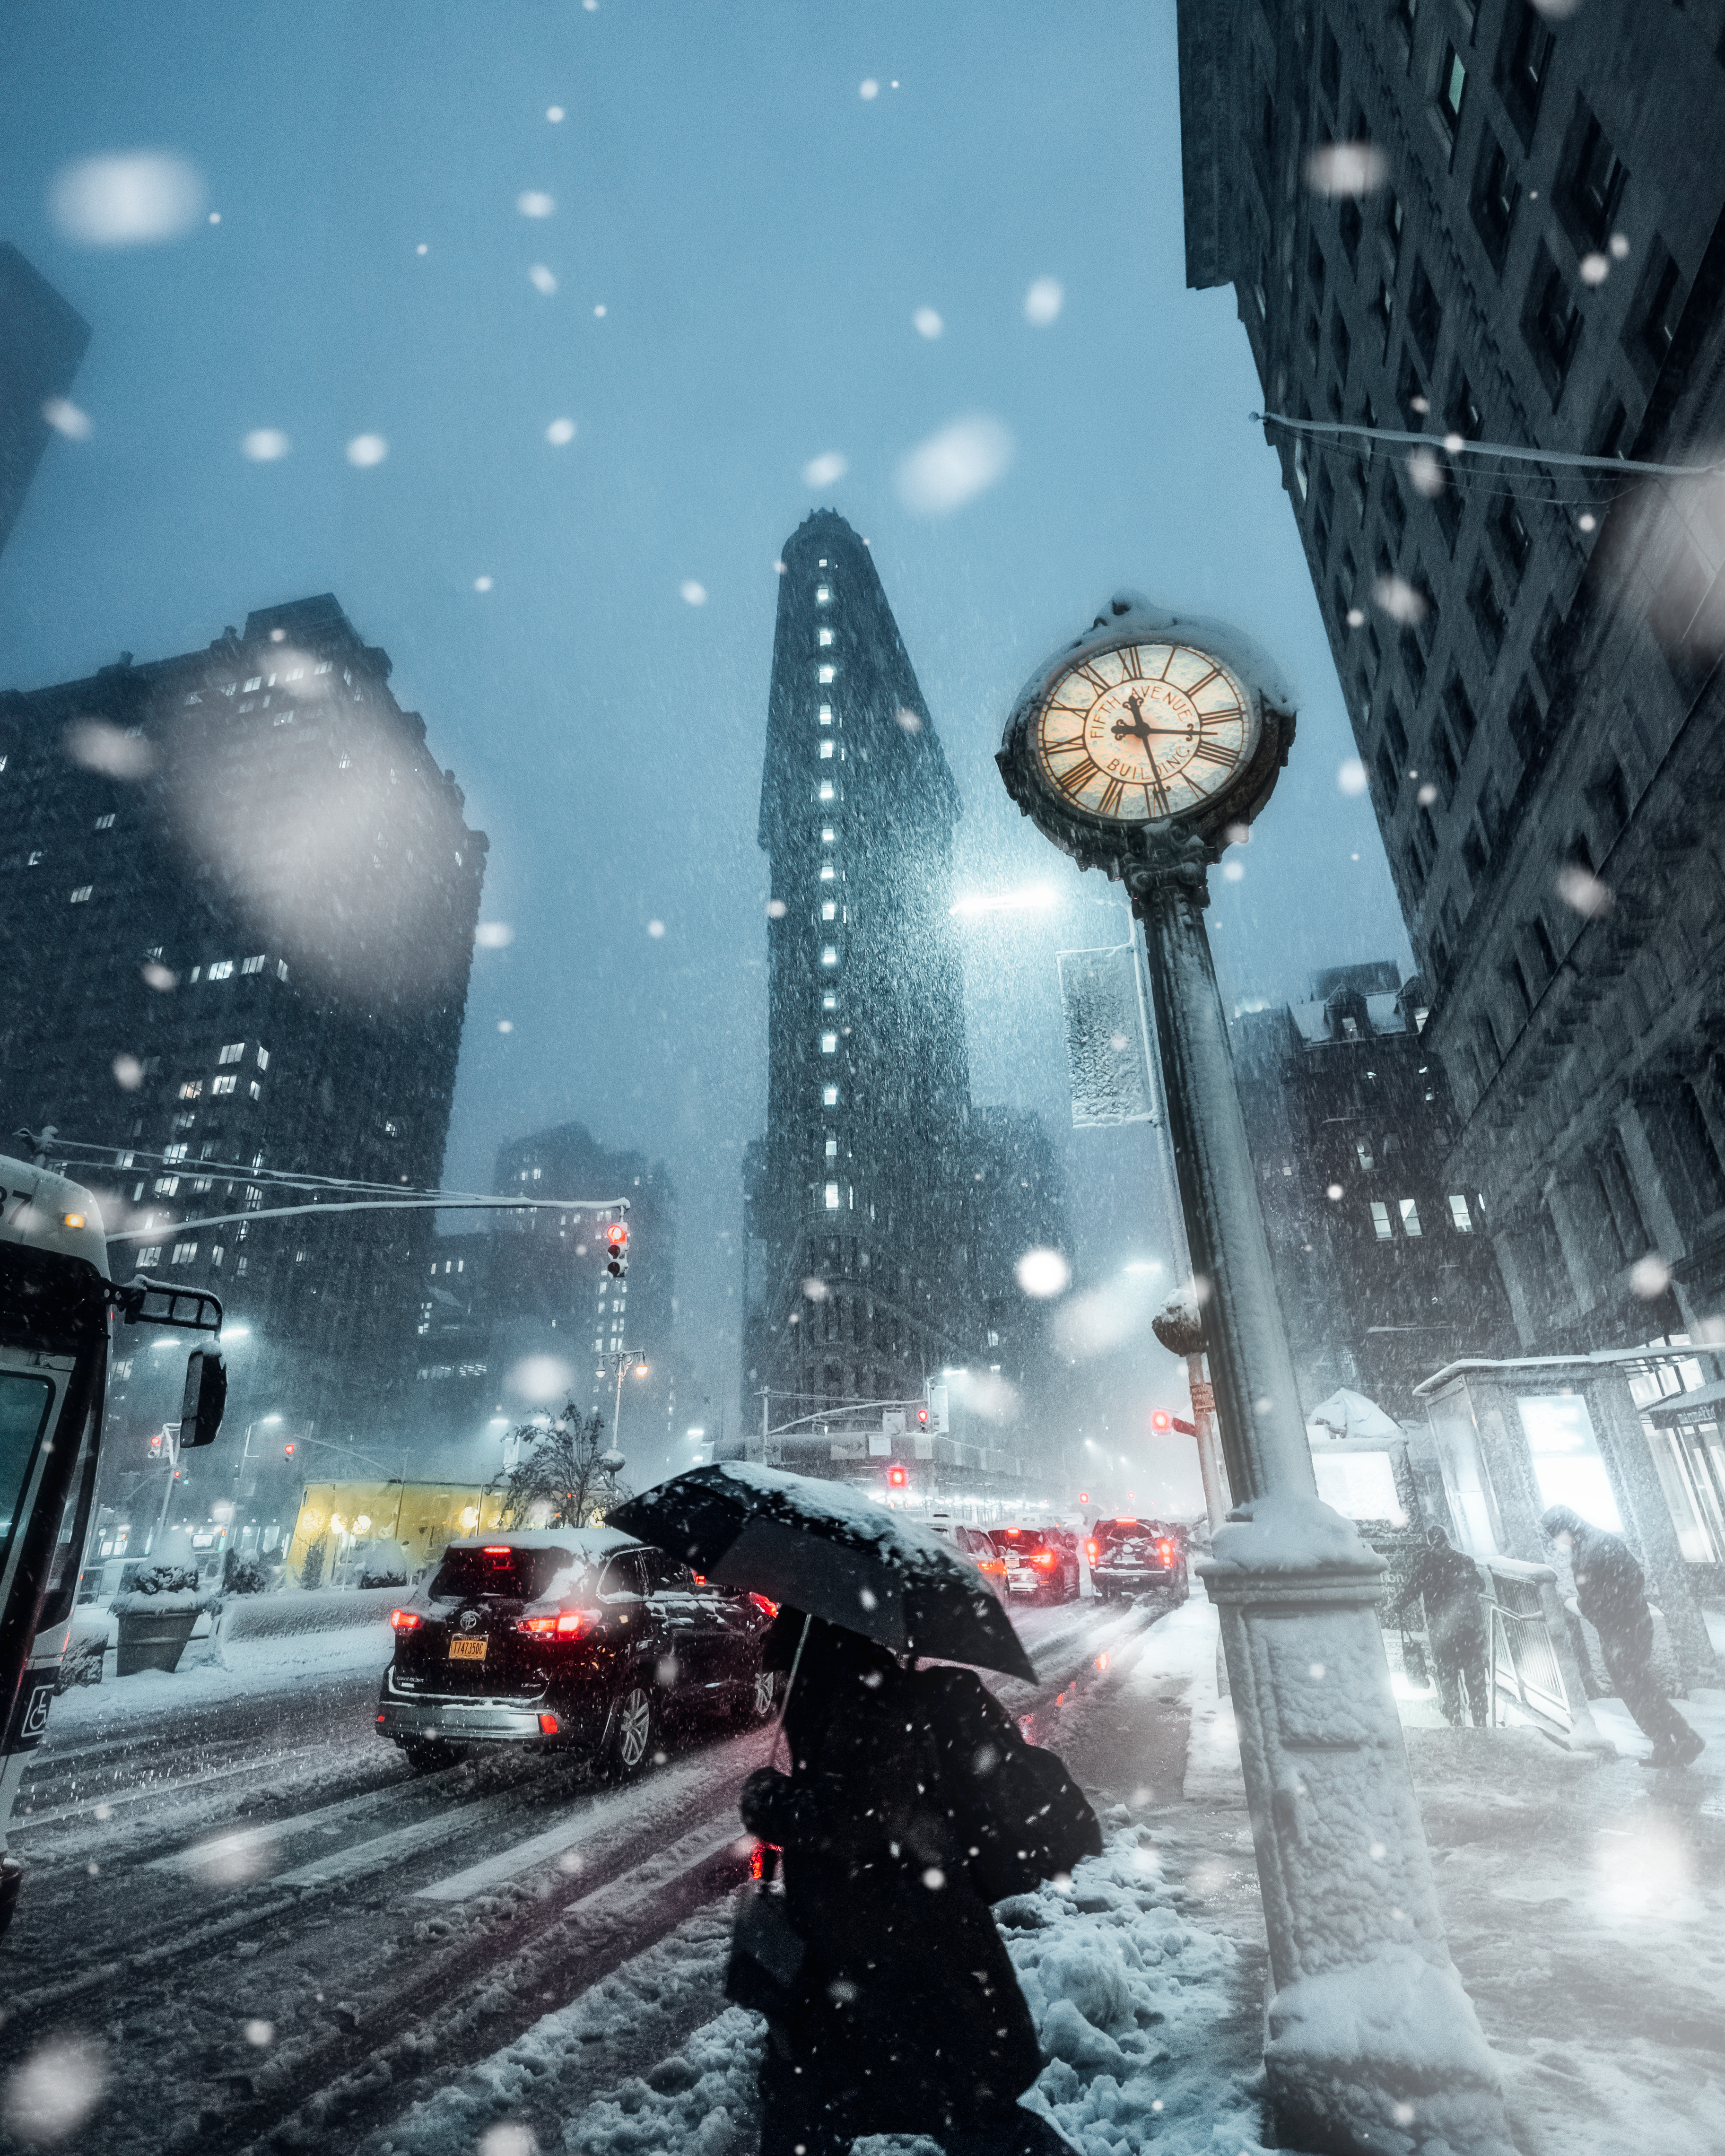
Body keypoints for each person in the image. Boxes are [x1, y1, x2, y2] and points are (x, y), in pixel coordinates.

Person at [738, 1608, 1076, 2156]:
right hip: (873, 1944)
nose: (767, 1626)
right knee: (817, 2101)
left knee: (967, 2110)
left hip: (899, 1947)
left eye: (780, 1615)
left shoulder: (862, 1697)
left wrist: (770, 1801)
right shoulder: (844, 1681)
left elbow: (854, 1818)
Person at [1540, 1505, 1705, 1768]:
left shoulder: (1595, 1547)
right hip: (1621, 1627)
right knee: (1637, 1689)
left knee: (1637, 1690)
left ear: (1565, 1528)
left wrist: (1596, 1608)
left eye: (1555, 1534)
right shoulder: (1591, 1544)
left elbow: (1619, 1586)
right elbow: (1619, 1584)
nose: (1557, 1541)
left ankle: (1681, 1739)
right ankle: (1669, 1743)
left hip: (1623, 1629)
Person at [1392, 1525, 1490, 1728]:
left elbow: (1414, 1587)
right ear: (1448, 1539)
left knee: (1447, 1671)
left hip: (1442, 1628)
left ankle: (1454, 1717)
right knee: (1474, 1670)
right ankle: (1480, 1717)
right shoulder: (1464, 1559)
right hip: (1468, 1627)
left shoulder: (1425, 1560)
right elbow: (1480, 1586)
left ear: (1431, 1541)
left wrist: (1399, 1604)